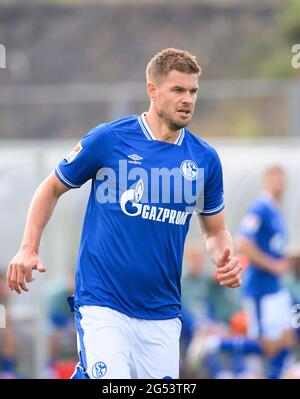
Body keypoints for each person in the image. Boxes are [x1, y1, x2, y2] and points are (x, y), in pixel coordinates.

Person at [7, 48, 243, 379]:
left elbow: (215, 231)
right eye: (177, 90)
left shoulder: (204, 159)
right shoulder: (109, 139)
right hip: (104, 303)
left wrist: (224, 257)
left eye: (193, 91)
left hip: (161, 311)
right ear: (152, 90)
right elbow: (51, 188)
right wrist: (29, 247)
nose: (187, 99)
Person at [236, 166, 296, 378]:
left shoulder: (275, 211)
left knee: (288, 337)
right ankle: (216, 345)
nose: (281, 185)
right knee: (267, 345)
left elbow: (274, 248)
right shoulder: (259, 208)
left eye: (283, 181)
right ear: (266, 181)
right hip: (260, 289)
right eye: (276, 180)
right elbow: (243, 243)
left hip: (276, 288)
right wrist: (272, 265)